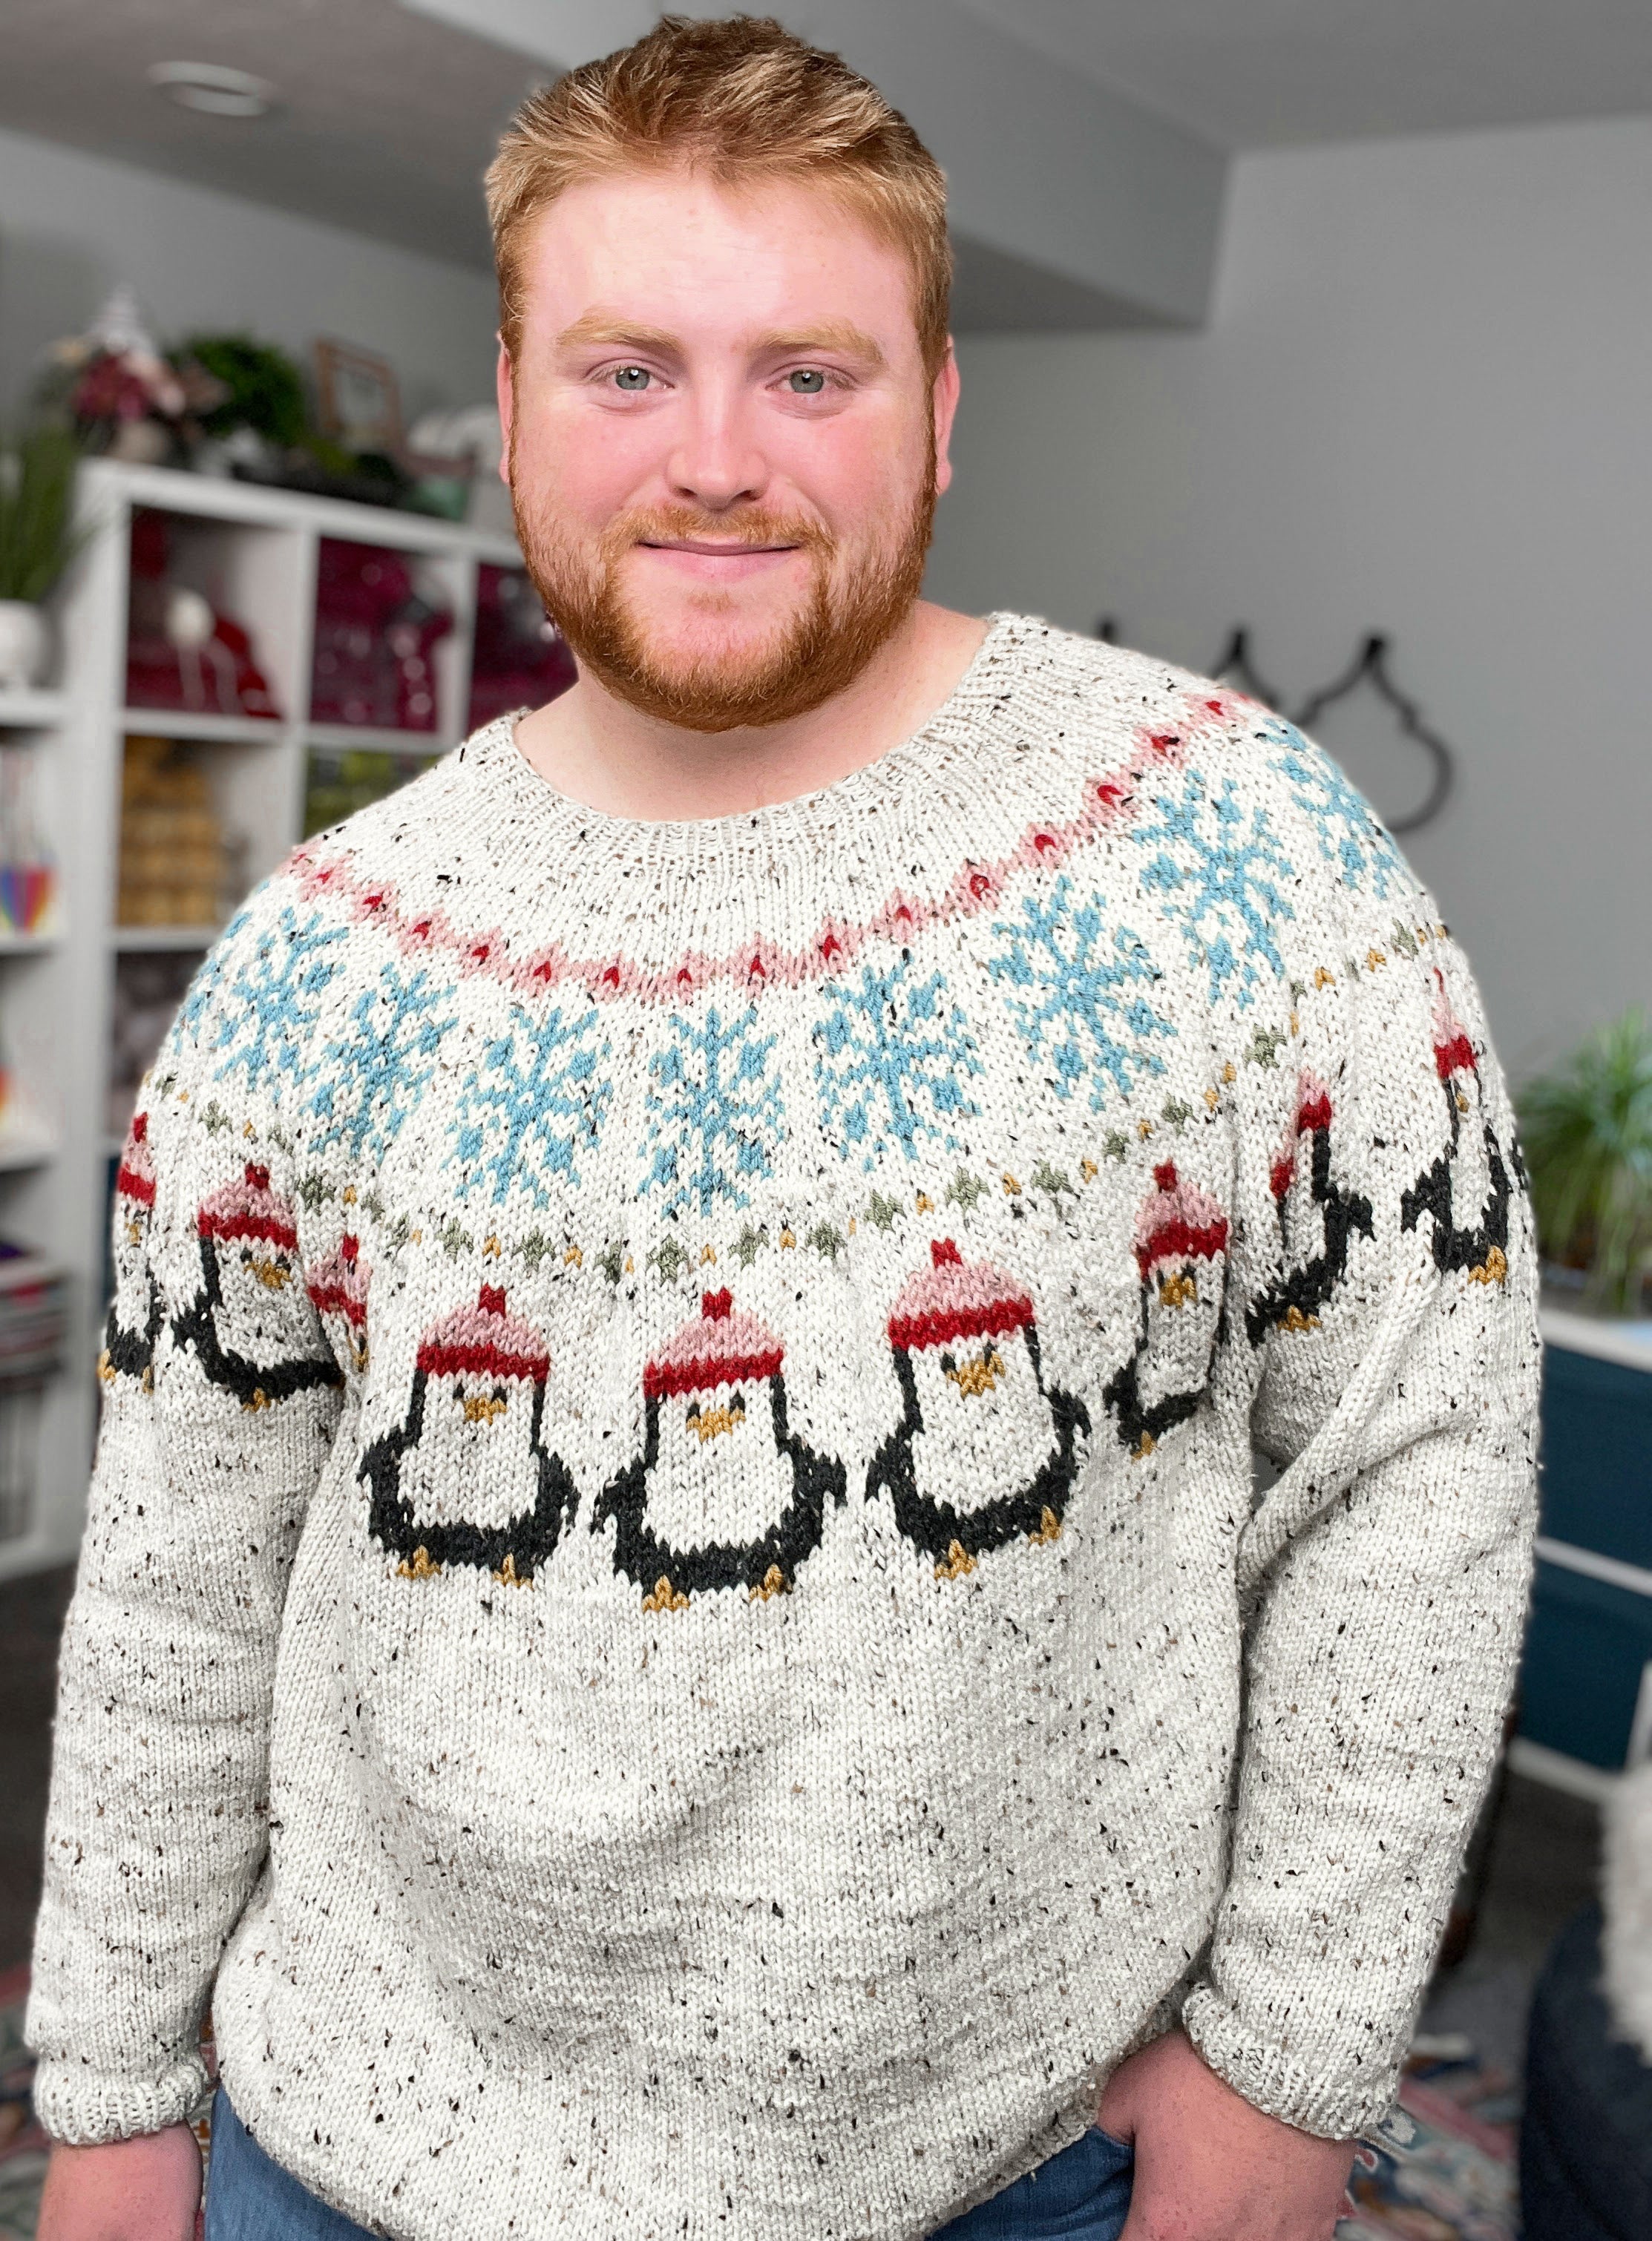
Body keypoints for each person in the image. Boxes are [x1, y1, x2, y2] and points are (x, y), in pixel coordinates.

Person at [30, 18, 1539, 2241]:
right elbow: (176, 1587)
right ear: (519, 405)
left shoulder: (1236, 850)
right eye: (626, 369)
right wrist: (108, 2109)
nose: (713, 458)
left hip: (1018, 2172)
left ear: (933, 414)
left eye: (807, 375)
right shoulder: (317, 956)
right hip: (337, 2155)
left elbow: (1410, 1458)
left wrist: (1293, 2071)